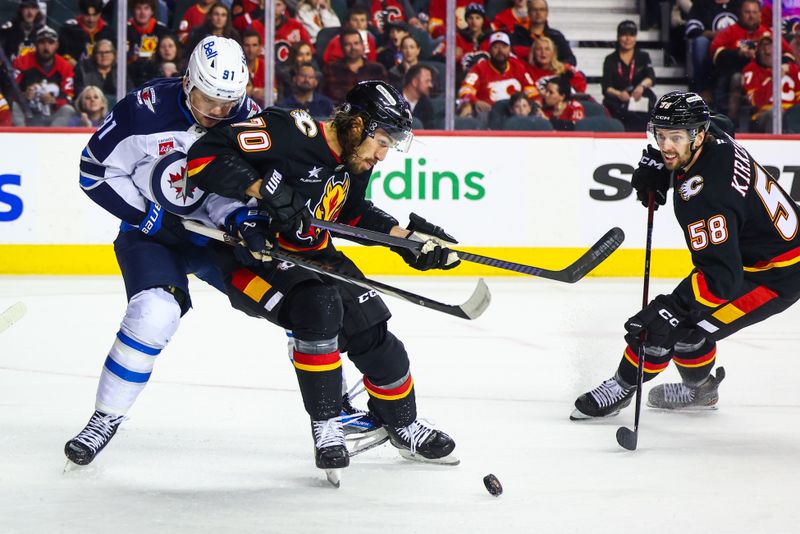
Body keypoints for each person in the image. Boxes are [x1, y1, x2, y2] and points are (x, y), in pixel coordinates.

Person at [185, 80, 461, 474]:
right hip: (258, 258)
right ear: (357, 125)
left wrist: (406, 240)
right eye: (382, 140)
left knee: (375, 336)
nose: (383, 155)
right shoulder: (289, 131)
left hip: (316, 255)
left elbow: (349, 211)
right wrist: (263, 189)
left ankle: (403, 423)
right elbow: (203, 157)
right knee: (319, 308)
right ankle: (327, 425)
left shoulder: (353, 162)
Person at [63, 36, 261, 467]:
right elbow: (94, 172)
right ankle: (105, 417)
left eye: (228, 104)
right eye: (208, 100)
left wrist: (244, 218)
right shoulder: (143, 110)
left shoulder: (251, 122)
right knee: (154, 314)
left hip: (214, 239)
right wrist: (146, 216)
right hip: (150, 233)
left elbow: (254, 188)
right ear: (187, 81)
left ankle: (334, 409)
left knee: (295, 298)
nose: (217, 114)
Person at [571, 91, 800, 420]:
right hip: (760, 255)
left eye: (675, 138)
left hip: (776, 275)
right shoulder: (713, 135)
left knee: (668, 325)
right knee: (689, 327)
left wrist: (671, 310)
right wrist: (660, 168)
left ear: (697, 135)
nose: (666, 146)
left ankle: (622, 385)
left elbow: (722, 280)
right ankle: (702, 390)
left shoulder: (705, 197)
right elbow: (724, 123)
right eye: (660, 136)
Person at [458, 31, 537, 119]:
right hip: (488, 114)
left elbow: (531, 90)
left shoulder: (518, 66)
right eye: (496, 47)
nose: (500, 51)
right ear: (489, 50)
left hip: (516, 113)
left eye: (504, 47)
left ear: (509, 49)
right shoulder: (479, 68)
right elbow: (465, 90)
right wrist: (476, 101)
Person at [11, 26, 77, 127]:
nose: (46, 47)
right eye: (42, 42)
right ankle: (21, 138)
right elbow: (10, 92)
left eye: (50, 43)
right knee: (14, 106)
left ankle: (52, 139)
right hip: (28, 114)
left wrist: (55, 101)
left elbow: (69, 96)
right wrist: (23, 96)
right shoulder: (21, 62)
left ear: (57, 45)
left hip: (53, 116)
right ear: (35, 45)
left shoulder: (65, 66)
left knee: (68, 110)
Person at [601, 20, 656, 132]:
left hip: (638, 96)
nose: (628, 39)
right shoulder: (610, 59)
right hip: (619, 99)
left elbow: (651, 77)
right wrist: (619, 94)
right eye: (624, 35)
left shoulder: (643, 56)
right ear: (618, 37)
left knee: (650, 99)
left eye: (631, 35)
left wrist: (641, 87)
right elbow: (606, 87)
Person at [742, 30, 800, 133]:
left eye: (771, 46)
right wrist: (775, 79)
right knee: (776, 113)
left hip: (791, 116)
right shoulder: (751, 70)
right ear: (757, 50)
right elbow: (756, 102)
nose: (767, 51)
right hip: (764, 116)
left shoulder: (793, 69)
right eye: (763, 46)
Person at [322, 28, 387, 105]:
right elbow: (324, 98)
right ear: (342, 48)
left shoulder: (377, 69)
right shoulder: (331, 68)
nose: (353, 48)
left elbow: (385, 97)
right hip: (340, 112)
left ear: (363, 45)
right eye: (348, 44)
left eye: (356, 43)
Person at [510, 0, 576, 67]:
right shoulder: (518, 35)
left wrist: (554, 67)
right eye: (534, 10)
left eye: (542, 10)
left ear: (547, 13)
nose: (538, 13)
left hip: (550, 74)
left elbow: (571, 60)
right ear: (529, 12)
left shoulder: (556, 36)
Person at [58, 0, 114, 67]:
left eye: (95, 15)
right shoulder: (69, 28)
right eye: (87, 15)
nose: (91, 19)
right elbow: (62, 54)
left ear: (100, 13)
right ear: (81, 12)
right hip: (74, 72)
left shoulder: (108, 32)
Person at [74, 39, 130, 103]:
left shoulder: (121, 70)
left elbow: (130, 91)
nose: (104, 55)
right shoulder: (83, 70)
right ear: (94, 55)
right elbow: (81, 94)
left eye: (107, 52)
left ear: (114, 55)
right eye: (99, 52)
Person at [402, 63, 434, 128]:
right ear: (415, 82)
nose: (431, 85)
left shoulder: (427, 105)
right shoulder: (392, 99)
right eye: (427, 81)